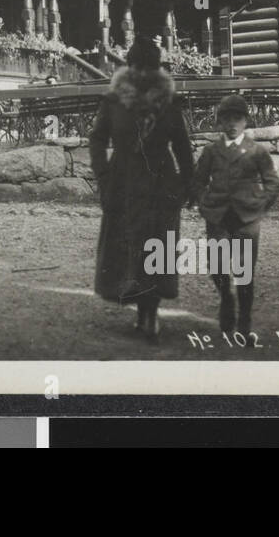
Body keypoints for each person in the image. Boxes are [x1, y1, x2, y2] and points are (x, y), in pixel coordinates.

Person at [89, 38, 194, 343]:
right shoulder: (114, 102)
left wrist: (189, 183)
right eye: (137, 66)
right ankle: (138, 308)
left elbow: (182, 146)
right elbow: (97, 139)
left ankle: (151, 313)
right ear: (129, 67)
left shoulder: (168, 104)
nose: (143, 73)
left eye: (150, 67)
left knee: (156, 248)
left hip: (161, 185)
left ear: (157, 69)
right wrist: (103, 173)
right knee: (126, 248)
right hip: (122, 183)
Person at [190, 94, 279, 341]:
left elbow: (272, 182)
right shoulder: (211, 151)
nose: (232, 124)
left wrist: (260, 205)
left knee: (244, 272)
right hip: (218, 216)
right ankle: (226, 299)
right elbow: (198, 181)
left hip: (246, 219)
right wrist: (204, 202)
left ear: (246, 122)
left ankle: (244, 322)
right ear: (219, 122)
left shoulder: (256, 151)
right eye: (227, 119)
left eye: (237, 119)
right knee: (217, 267)